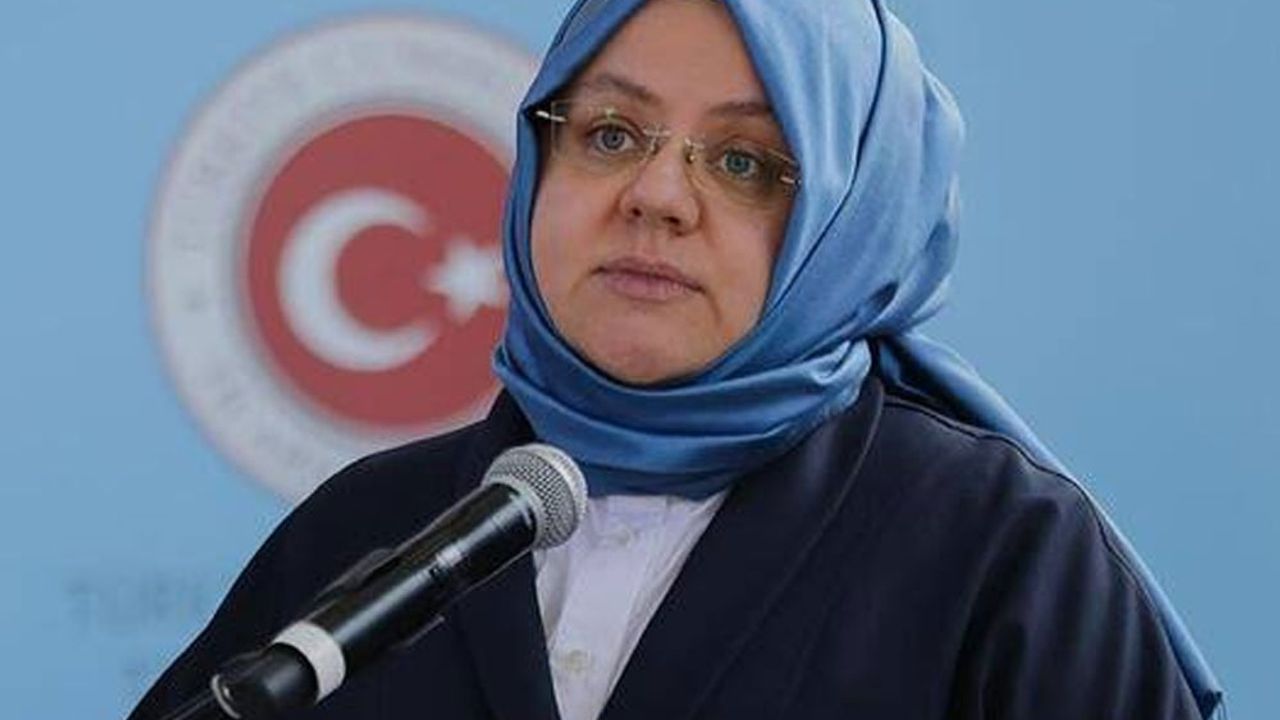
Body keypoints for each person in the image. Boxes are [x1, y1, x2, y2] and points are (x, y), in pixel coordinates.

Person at [129, 0, 1224, 718]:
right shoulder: (367, 527)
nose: (655, 196)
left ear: (849, 220)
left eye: (745, 161)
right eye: (610, 134)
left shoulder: (1001, 552)